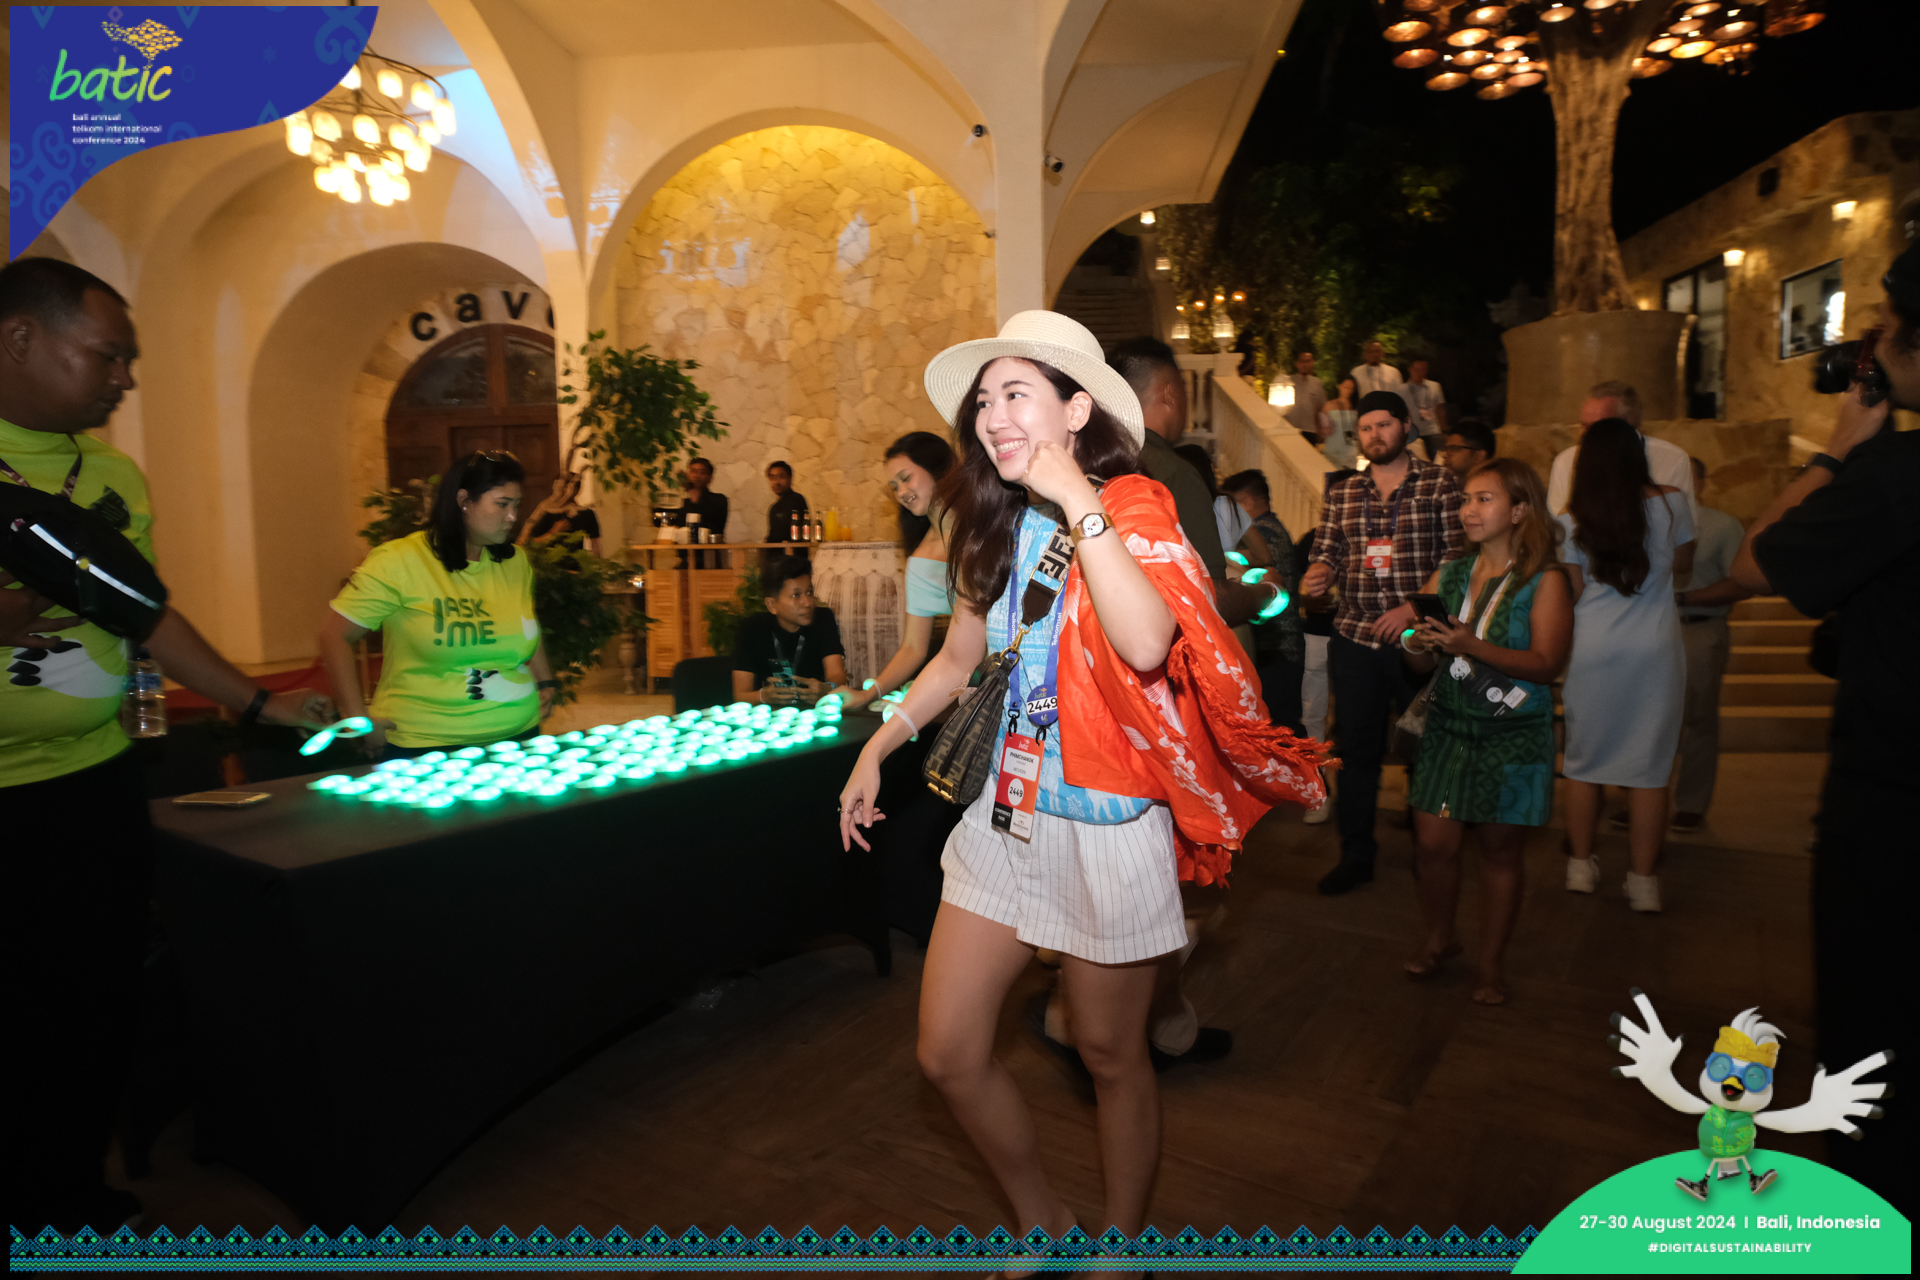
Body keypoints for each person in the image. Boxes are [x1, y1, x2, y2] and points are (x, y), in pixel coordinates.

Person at [836, 310, 1324, 1251]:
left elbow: (1145, 642)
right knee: (947, 1053)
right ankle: (1045, 1226)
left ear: (1075, 409)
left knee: (1107, 1054)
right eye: (984, 400)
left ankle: (1121, 1249)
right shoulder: (989, 521)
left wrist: (1075, 499)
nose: (992, 415)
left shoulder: (1134, 507)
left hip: (1105, 821)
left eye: (1015, 393)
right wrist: (877, 747)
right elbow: (958, 661)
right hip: (1005, 813)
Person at [0, 258, 333, 1233]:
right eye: (108, 355)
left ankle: (68, 1195)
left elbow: (148, 615)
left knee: (91, 998)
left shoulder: (111, 477)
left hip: (91, 782)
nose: (126, 378)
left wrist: (259, 704)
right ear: (20, 338)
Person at [1732, 242, 1919, 1219]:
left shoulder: (1893, 476)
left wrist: (1838, 447)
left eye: (1888, 325)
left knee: (1871, 1058)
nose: (1874, 343)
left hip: (1891, 817)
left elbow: (1759, 558)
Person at [1400, 459, 1572, 1004]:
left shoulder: (1545, 580)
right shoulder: (1449, 575)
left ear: (1519, 510)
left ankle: (1491, 964)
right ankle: (1440, 937)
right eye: (1465, 499)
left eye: (1483, 499)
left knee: (1500, 852)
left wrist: (1471, 645)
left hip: (1513, 732)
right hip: (1448, 726)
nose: (1467, 510)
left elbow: (1546, 664)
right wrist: (1415, 642)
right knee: (1433, 846)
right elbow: (1418, 663)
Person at [1301, 391, 1465, 895]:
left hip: (1421, 639)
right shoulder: (1343, 491)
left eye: (1384, 425)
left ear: (1406, 426)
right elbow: (1328, 550)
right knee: (1357, 749)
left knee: (1427, 743)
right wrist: (1317, 574)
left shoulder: (1439, 483)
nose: (1375, 435)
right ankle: (1356, 854)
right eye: (1367, 428)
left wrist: (1412, 610)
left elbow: (1457, 558)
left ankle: (1433, 847)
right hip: (1355, 637)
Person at [319, 450, 558, 758]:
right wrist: (356, 720)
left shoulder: (515, 562)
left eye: (516, 505)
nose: (512, 516)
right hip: (426, 744)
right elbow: (334, 636)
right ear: (464, 501)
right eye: (502, 504)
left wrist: (546, 681)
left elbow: (525, 623)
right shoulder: (399, 561)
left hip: (519, 735)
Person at [1557, 417, 1695, 913]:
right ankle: (1643, 882)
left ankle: (1579, 866)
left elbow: (1572, 592)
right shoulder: (1672, 501)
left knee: (1582, 763)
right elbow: (1683, 564)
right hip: (1654, 650)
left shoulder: (1571, 520)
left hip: (1593, 649)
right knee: (1650, 769)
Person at [1107, 337, 1278, 628]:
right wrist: (1268, 592)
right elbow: (1210, 600)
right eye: (1184, 388)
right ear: (1169, 393)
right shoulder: (1175, 474)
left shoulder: (1096, 462)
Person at [1665, 456, 1751, 833]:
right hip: (1651, 632)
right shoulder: (1650, 523)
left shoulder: (1722, 525)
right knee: (1648, 717)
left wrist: (1684, 599)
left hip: (1698, 629)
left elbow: (1742, 582)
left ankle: (1691, 802)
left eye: (1687, 478)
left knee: (1698, 719)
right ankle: (1644, 798)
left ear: (1701, 483)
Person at [839, 431, 955, 712]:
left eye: (906, 478)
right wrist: (868, 694)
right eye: (894, 486)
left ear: (938, 469)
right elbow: (913, 648)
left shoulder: (991, 524)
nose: (902, 492)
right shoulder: (922, 560)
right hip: (972, 680)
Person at [1221, 469, 1305, 734]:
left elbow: (1231, 560)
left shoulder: (1266, 534)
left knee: (1281, 730)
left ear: (1245, 503)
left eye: (1230, 506)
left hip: (1277, 649)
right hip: (1274, 648)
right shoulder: (1272, 528)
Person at [1546, 381, 1694, 521]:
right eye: (1584, 425)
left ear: (1631, 422)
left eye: (1598, 427)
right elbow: (1557, 526)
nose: (1585, 435)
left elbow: (1685, 528)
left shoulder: (1673, 460)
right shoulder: (1565, 461)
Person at [730, 555, 849, 707]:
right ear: (772, 605)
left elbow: (837, 675)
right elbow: (740, 695)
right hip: (771, 715)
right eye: (796, 595)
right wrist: (764, 696)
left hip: (816, 711)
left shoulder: (822, 619)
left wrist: (826, 689)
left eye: (809, 592)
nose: (807, 603)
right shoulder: (753, 628)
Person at [1173, 441, 1251, 558]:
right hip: (1222, 568)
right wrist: (1227, 557)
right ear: (1209, 469)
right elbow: (1262, 555)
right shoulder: (1225, 505)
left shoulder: (1172, 505)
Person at [517, 471, 600, 554]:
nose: (566, 491)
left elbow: (595, 544)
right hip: (548, 560)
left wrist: (596, 561)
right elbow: (533, 543)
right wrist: (553, 532)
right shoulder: (548, 511)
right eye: (562, 486)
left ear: (578, 489)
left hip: (576, 561)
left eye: (571, 487)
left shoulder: (586, 513)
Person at [680, 455, 728, 568]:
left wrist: (693, 493)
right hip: (685, 559)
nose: (697, 476)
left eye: (702, 472)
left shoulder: (719, 500)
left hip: (711, 560)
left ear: (710, 478)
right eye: (693, 471)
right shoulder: (682, 502)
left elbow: (713, 525)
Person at [1402, 359, 1446, 458]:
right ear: (1410, 370)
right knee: (1416, 459)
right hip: (1413, 431)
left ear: (1426, 370)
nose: (1419, 372)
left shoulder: (1435, 386)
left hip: (1433, 430)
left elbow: (1440, 409)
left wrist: (1444, 429)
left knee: (1438, 458)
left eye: (1422, 369)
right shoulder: (1402, 389)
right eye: (1416, 370)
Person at [763, 459, 809, 546]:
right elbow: (772, 537)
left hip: (793, 554)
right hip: (776, 553)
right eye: (772, 477)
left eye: (781, 477)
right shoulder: (774, 508)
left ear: (790, 478)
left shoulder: (797, 500)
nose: (776, 482)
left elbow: (790, 534)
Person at [1284, 349, 1327, 442]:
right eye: (1302, 361)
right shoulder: (1288, 381)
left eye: (1307, 361)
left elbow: (1321, 409)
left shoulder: (1317, 383)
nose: (1304, 364)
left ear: (1312, 363)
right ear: (1297, 364)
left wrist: (1322, 430)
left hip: (1310, 431)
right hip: (1290, 429)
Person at [1319, 376, 1361, 470]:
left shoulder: (1355, 407)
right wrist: (1324, 431)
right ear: (1339, 386)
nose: (1348, 391)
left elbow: (1357, 428)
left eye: (1351, 388)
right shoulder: (1330, 405)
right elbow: (1323, 426)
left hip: (1350, 447)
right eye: (1345, 387)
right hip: (1333, 444)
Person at [1437, 419, 1497, 483]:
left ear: (1478, 455)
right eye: (1446, 448)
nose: (1445, 455)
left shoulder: (1493, 485)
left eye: (1454, 449)